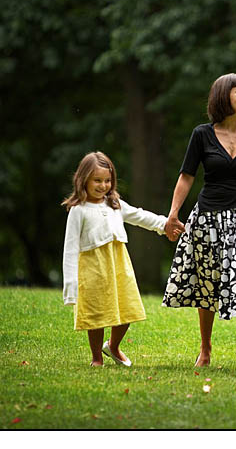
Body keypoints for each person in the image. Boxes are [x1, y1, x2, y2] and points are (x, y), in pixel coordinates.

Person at [162, 73, 236, 374]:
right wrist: (173, 214)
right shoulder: (202, 134)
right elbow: (187, 176)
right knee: (207, 282)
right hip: (207, 216)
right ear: (224, 97)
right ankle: (205, 348)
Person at [62, 151, 172, 367]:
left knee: (128, 308)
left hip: (119, 264)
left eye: (107, 180)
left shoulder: (114, 204)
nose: (103, 185)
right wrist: (70, 285)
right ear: (83, 179)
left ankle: (112, 345)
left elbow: (140, 216)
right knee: (97, 313)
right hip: (93, 269)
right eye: (97, 180)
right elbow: (70, 248)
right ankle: (96, 357)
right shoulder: (78, 211)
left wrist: (164, 224)